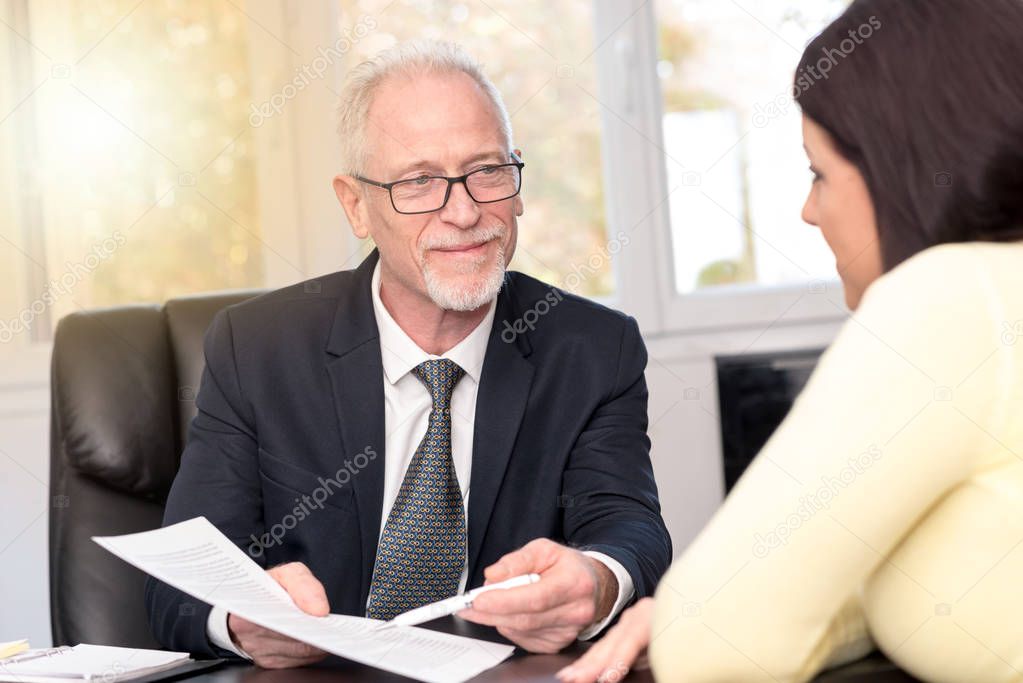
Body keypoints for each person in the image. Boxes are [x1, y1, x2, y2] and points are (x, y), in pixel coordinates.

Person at [144, 40, 671, 667]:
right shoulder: (256, 348)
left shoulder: (592, 349)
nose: (465, 211)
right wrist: (239, 620)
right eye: (419, 182)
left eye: (487, 170)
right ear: (355, 205)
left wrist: (595, 580)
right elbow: (177, 585)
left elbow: (629, 530)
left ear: (518, 179)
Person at [557, 0, 1023, 681]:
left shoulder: (949, 297)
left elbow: (713, 646)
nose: (808, 211)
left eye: (817, 173)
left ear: (900, 168)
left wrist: (690, 610)